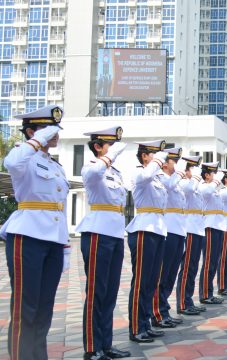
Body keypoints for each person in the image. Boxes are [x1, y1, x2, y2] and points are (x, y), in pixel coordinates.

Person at [0, 105, 70, 359]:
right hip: (27, 236)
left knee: (44, 307)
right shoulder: (23, 156)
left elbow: (59, 207)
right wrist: (37, 138)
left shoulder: (55, 166)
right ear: (31, 132)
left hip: (52, 239)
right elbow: (11, 162)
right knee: (25, 307)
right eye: (46, 128)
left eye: (55, 129)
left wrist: (65, 246)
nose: (54, 134)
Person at [75, 126, 131, 360]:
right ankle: (92, 347)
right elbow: (91, 176)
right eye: (110, 144)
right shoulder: (91, 166)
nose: (114, 149)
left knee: (109, 292)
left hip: (115, 232)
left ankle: (106, 344)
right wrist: (111, 156)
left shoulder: (114, 172)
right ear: (98, 146)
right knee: (97, 291)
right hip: (97, 232)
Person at [124, 140, 169, 343]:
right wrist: (158, 161)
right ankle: (136, 328)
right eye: (154, 155)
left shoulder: (157, 178)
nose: (160, 160)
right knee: (141, 281)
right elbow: (147, 175)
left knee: (151, 281)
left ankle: (146, 323)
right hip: (143, 229)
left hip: (158, 229)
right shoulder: (139, 173)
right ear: (145, 156)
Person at [152, 147, 187, 329]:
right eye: (174, 161)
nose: (177, 165)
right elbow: (169, 186)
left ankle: (164, 309)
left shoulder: (174, 181)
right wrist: (180, 174)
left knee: (171, 273)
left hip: (179, 228)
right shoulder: (161, 179)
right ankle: (157, 312)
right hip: (169, 228)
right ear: (165, 163)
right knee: (163, 273)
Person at [176, 155, 207, 316]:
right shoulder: (183, 183)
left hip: (197, 227)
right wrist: (194, 177)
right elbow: (188, 189)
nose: (192, 172)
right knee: (187, 268)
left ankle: (188, 300)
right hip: (188, 228)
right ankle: (182, 302)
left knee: (193, 267)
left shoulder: (193, 185)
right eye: (190, 169)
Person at [198, 162, 226, 305]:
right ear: (207, 175)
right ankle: (204, 294)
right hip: (208, 226)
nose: (216, 176)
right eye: (213, 173)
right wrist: (215, 181)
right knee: (208, 262)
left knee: (214, 261)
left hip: (218, 225)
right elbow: (207, 192)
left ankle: (209, 292)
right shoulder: (203, 186)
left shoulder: (215, 189)